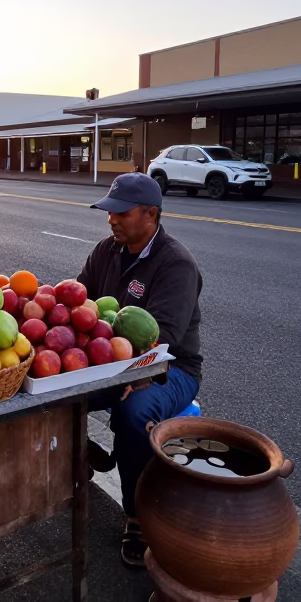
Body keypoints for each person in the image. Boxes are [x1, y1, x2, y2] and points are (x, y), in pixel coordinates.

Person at [77, 172, 203, 568]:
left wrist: (139, 376)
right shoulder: (106, 250)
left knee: (134, 414)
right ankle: (77, 453)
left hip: (170, 368)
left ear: (151, 214)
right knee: (48, 391)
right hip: (113, 360)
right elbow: (82, 303)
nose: (111, 219)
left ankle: (136, 516)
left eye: (121, 212)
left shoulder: (176, 264)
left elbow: (163, 337)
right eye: (109, 211)